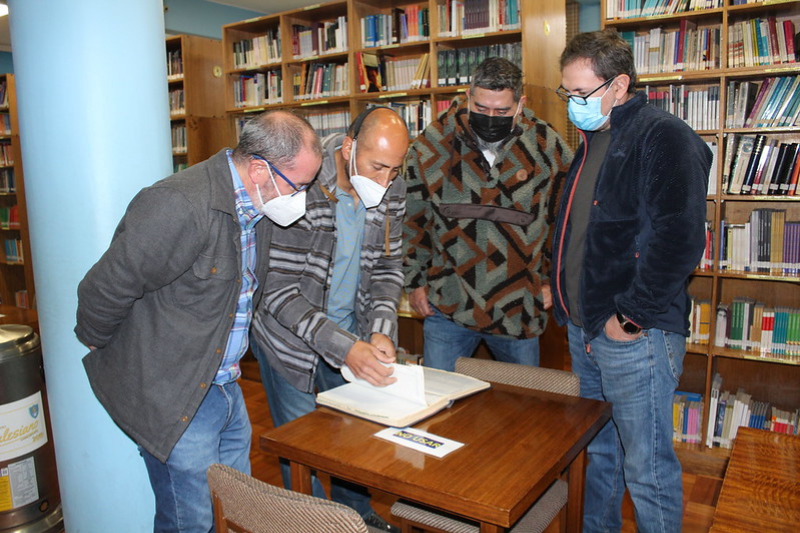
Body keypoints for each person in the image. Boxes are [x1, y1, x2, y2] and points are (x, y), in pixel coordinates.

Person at [74, 110, 323, 533]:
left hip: (225, 385)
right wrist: (102, 344)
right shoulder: (179, 204)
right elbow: (105, 287)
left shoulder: (258, 206)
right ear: (260, 169)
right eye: (298, 185)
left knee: (235, 507)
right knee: (191, 521)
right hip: (176, 393)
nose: (301, 197)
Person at [552, 29, 712, 532]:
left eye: (581, 93)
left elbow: (681, 239)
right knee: (601, 454)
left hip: (633, 335)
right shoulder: (595, 138)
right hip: (586, 329)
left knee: (646, 468)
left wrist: (631, 316)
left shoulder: (662, 135)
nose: (572, 104)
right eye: (567, 93)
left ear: (619, 85)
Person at [249, 106, 409, 532]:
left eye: (394, 171)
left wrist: (380, 328)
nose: (384, 182)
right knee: (302, 445)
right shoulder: (298, 185)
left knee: (354, 437)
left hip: (350, 331)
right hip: (290, 340)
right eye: (377, 167)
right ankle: (312, 524)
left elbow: (389, 267)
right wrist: (345, 347)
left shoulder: (392, 186)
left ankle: (357, 515)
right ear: (349, 147)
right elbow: (279, 293)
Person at [403, 57, 573, 372]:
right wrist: (413, 281)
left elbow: (565, 223)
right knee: (438, 405)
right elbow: (414, 218)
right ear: (468, 97)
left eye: (502, 111)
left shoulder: (547, 148)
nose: (490, 117)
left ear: (520, 104)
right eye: (481, 109)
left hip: (518, 308)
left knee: (522, 409)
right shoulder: (432, 143)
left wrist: (556, 284)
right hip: (448, 303)